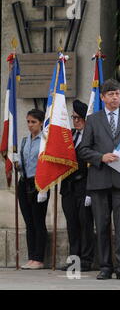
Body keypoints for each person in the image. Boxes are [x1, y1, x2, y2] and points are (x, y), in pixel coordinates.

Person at [78, 79, 120, 280]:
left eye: (117, 93)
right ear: (103, 97)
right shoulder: (93, 120)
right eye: (111, 94)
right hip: (99, 181)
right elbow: (83, 149)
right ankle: (105, 266)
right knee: (102, 224)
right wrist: (101, 157)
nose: (115, 97)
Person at [60, 100, 95, 272]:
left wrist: (90, 191)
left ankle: (87, 260)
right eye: (73, 118)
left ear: (86, 119)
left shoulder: (92, 138)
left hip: (84, 185)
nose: (75, 121)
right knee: (72, 224)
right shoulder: (70, 136)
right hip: (68, 187)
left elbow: (94, 166)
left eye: (78, 118)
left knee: (85, 224)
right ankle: (74, 259)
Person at [18, 109, 49, 270]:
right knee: (28, 222)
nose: (30, 125)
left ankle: (39, 258)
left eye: (33, 122)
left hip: (39, 183)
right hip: (24, 183)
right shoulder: (25, 141)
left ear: (41, 123)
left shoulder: (45, 141)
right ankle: (31, 257)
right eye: (28, 121)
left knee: (38, 221)